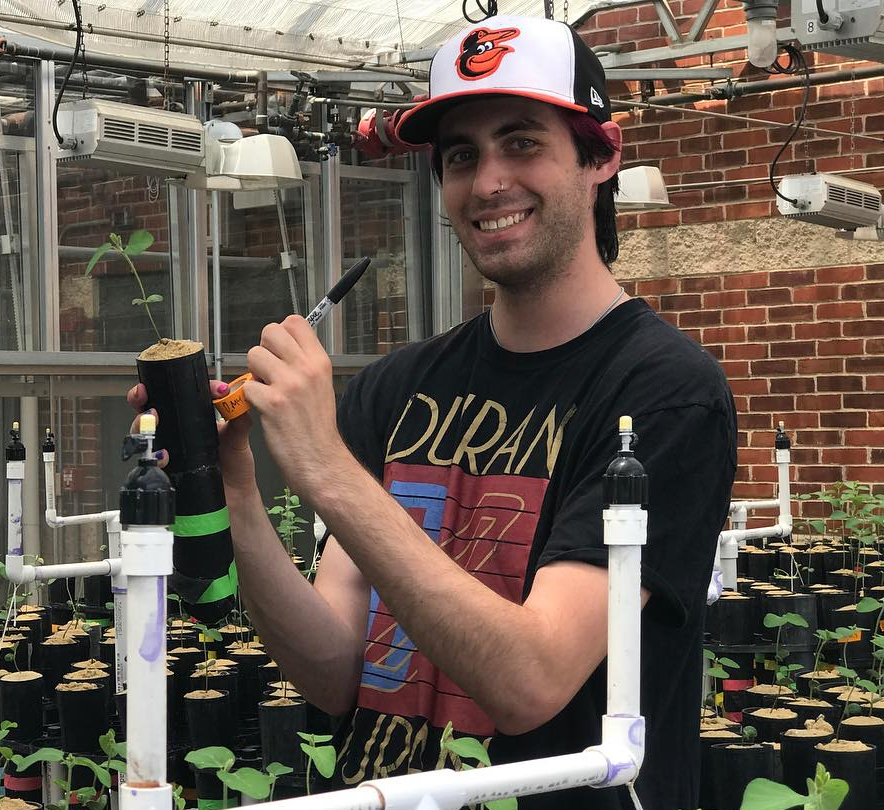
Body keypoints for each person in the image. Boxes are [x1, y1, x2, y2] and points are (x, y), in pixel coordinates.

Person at [128, 14, 737, 810]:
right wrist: (238, 492)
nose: (486, 182)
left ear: (602, 156)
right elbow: (338, 669)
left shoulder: (663, 392)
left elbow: (533, 680)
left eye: (522, 142)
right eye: (460, 156)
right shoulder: (397, 385)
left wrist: (324, 468)